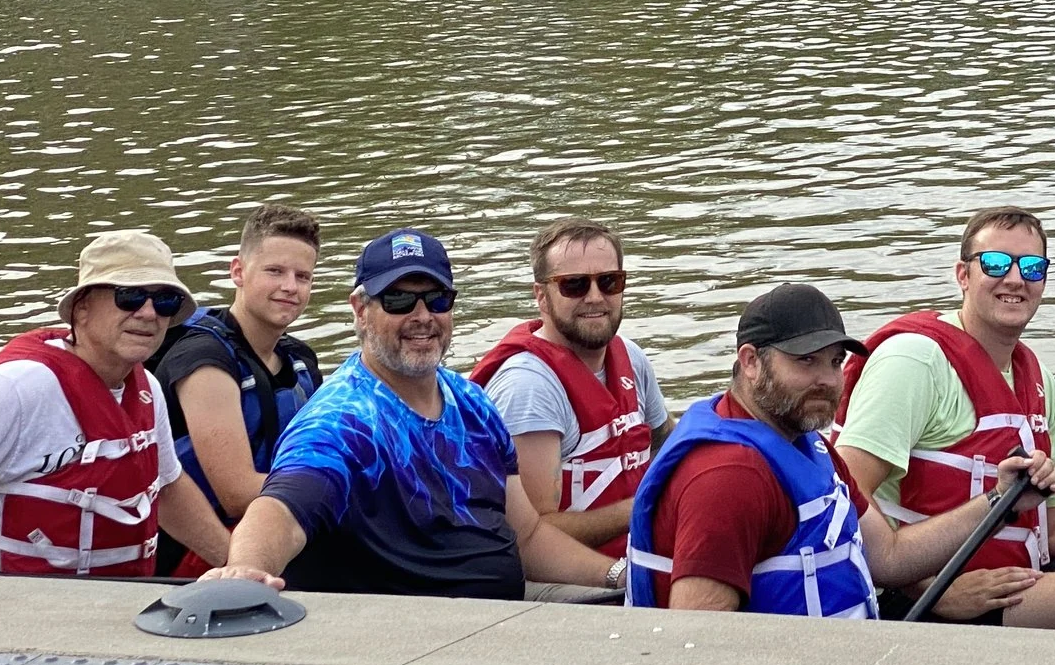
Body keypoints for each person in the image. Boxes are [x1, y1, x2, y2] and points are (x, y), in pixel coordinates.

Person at [215, 229, 620, 598]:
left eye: (437, 299)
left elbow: (528, 537)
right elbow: (281, 510)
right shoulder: (342, 421)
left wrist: (622, 575)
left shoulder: (471, 403)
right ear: (360, 309)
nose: (422, 316)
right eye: (398, 300)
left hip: (506, 606)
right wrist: (246, 572)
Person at [627, 283, 1055, 616]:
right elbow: (693, 646)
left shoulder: (806, 443)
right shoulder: (728, 478)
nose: (828, 380)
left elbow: (888, 559)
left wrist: (999, 499)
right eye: (805, 361)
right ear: (751, 362)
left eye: (835, 362)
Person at [0, 231, 232, 576]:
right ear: (81, 309)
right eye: (129, 296)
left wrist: (240, 566)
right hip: (12, 610)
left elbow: (167, 488)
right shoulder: (24, 385)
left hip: (113, 608)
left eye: (164, 301)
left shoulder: (146, 387)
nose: (149, 313)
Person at [834, 206, 1055, 627]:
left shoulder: (1039, 380)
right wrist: (932, 587)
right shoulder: (915, 361)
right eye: (996, 263)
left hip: (1010, 587)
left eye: (1033, 267)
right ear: (963, 275)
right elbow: (844, 495)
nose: (1016, 279)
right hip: (916, 602)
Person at [472, 218, 669, 564]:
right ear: (541, 296)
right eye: (574, 285)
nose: (595, 297)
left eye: (609, 282)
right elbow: (532, 533)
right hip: (568, 580)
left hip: (639, 552)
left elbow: (666, 441)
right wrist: (643, 507)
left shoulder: (632, 358)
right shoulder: (529, 388)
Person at [147, 204, 326, 576]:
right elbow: (236, 491)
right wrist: (349, 493)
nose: (290, 287)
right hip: (196, 554)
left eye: (302, 276)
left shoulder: (299, 359)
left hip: (281, 524)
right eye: (274, 271)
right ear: (238, 271)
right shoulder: (204, 360)